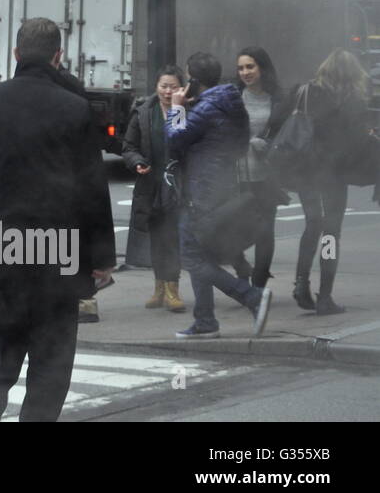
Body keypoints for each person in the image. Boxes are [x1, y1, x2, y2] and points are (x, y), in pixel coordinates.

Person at [0, 18, 116, 422]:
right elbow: (92, 188)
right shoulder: (74, 109)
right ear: (59, 57)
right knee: (54, 343)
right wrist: (101, 255)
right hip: (56, 244)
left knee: (5, 323)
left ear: (15, 54)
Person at [167, 51, 271, 339]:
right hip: (223, 187)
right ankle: (205, 321)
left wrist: (176, 108)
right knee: (203, 256)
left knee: (191, 257)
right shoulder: (229, 104)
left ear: (192, 79)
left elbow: (174, 141)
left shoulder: (204, 109)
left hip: (202, 191)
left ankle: (252, 296)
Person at [292, 49, 372, 315]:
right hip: (333, 177)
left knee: (311, 226)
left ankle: (301, 281)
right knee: (330, 235)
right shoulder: (355, 102)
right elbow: (357, 143)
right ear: (354, 74)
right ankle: (324, 295)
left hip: (305, 172)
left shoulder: (308, 92)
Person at [123, 65, 186, 312]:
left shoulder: (185, 110)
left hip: (177, 186)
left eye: (173, 86)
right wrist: (137, 162)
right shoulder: (143, 112)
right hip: (150, 185)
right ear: (156, 87)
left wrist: (178, 109)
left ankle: (173, 289)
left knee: (172, 237)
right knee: (157, 238)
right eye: (163, 86)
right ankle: (159, 287)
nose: (167, 92)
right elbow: (128, 147)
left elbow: (181, 144)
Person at [231, 47, 294, 289]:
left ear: (262, 68)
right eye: (240, 68)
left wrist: (268, 144)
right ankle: (240, 267)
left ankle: (258, 287)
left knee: (265, 232)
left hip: (267, 176)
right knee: (231, 229)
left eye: (250, 66)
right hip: (236, 175)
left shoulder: (279, 98)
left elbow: (287, 134)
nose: (245, 72)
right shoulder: (233, 95)